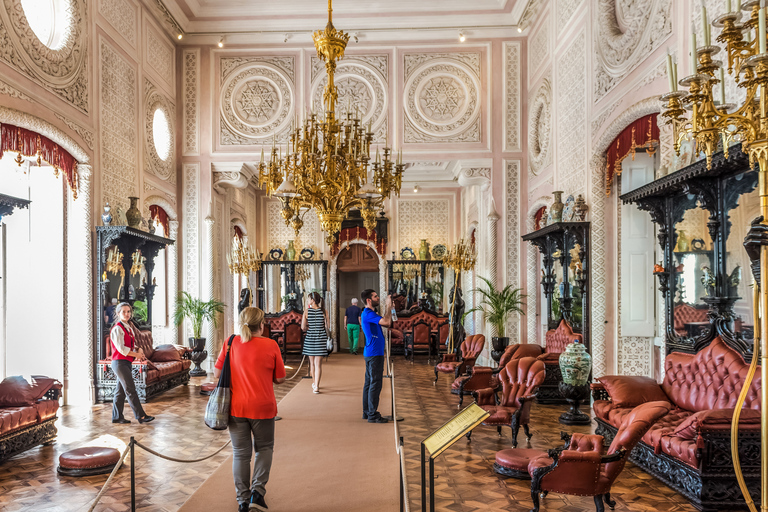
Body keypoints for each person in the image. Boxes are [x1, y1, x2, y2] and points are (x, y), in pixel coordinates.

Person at [214, 307, 285, 512]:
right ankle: (257, 493)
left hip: (236, 407)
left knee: (240, 454)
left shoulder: (231, 342)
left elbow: (218, 373)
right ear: (261, 325)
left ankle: (243, 501)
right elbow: (280, 378)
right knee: (264, 449)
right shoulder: (271, 345)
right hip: (263, 407)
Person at [109, 302, 154, 425]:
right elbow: (122, 349)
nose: (127, 314)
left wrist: (139, 349)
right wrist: (137, 355)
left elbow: (132, 345)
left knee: (120, 391)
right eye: (124, 312)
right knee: (130, 389)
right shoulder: (117, 328)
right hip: (119, 363)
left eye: (128, 311)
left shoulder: (128, 327)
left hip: (125, 363)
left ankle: (117, 417)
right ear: (118, 314)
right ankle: (141, 416)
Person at [360, 288, 393, 424]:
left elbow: (385, 323)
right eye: (375, 296)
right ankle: (372, 414)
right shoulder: (367, 313)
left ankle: (367, 412)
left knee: (369, 383)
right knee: (375, 383)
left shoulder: (370, 313)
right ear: (369, 300)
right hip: (374, 353)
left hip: (373, 352)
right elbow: (386, 322)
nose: (378, 298)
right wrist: (388, 306)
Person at [301, 292, 329, 394]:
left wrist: (310, 327)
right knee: (318, 364)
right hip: (321, 338)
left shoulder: (306, 311)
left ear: (312, 300)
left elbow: (303, 327)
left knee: (311, 363)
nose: (308, 301)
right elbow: (327, 326)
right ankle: (316, 385)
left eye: (309, 299)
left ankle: (314, 384)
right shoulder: (324, 311)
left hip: (310, 338)